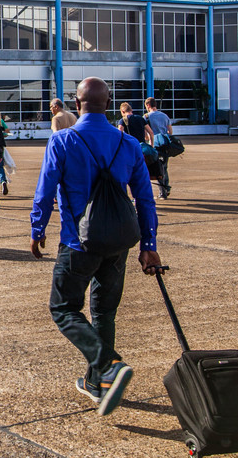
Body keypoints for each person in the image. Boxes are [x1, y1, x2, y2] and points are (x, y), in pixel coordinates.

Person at [30, 77, 162, 417]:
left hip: (78, 242)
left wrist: (37, 229)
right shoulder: (128, 143)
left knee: (63, 308)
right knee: (104, 312)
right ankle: (98, 383)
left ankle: (108, 365)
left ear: (77, 104)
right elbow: (145, 199)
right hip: (118, 242)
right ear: (108, 104)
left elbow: (45, 192)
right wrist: (149, 244)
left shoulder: (62, 140)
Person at [143, 98, 174, 198]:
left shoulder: (146, 117)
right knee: (164, 167)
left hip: (154, 145)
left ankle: (162, 192)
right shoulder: (164, 116)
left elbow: (146, 135)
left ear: (148, 105)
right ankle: (166, 187)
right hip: (165, 144)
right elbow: (170, 132)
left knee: (157, 168)